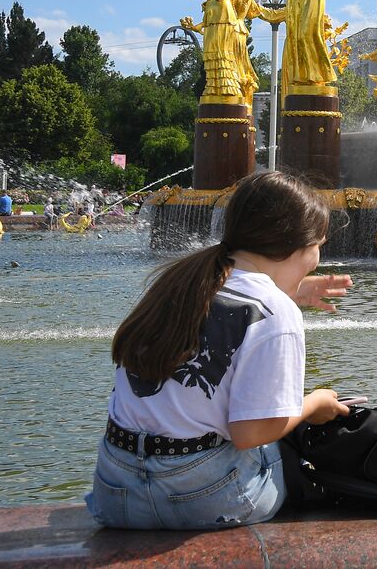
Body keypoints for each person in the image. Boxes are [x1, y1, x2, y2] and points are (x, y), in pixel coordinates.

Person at [87, 170, 355, 530]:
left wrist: (293, 291)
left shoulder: (181, 280)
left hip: (116, 492)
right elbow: (253, 432)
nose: (317, 258)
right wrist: (314, 404)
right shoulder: (276, 310)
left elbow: (224, 318)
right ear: (298, 245)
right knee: (291, 451)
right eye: (319, 245)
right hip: (202, 499)